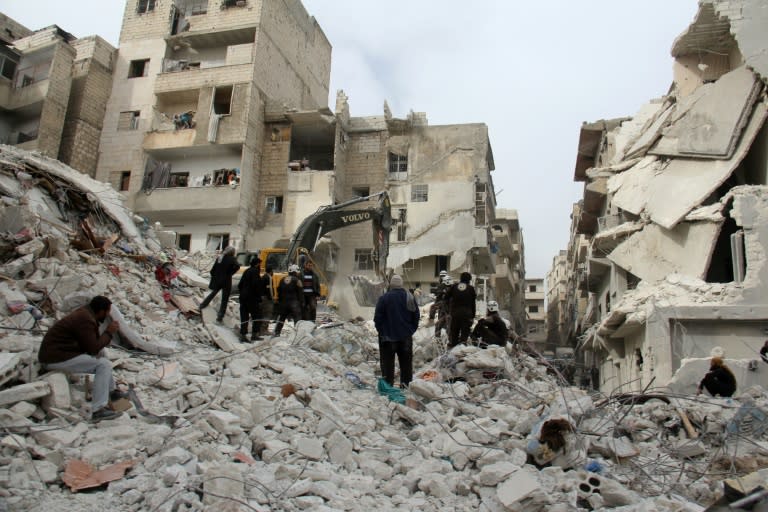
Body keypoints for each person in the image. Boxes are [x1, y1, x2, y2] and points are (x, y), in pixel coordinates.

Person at [38, 296, 126, 421]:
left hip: (62, 353)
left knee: (102, 354)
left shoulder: (86, 314)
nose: (107, 316)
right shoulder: (85, 319)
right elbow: (92, 348)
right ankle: (98, 410)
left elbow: (94, 345)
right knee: (103, 364)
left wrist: (106, 335)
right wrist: (109, 332)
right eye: (107, 312)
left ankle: (112, 392)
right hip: (55, 358)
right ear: (101, 311)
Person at [374, 274, 420, 388]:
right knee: (406, 365)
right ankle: (405, 387)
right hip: (405, 338)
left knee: (388, 365)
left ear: (391, 285)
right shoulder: (409, 297)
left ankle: (388, 387)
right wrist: (410, 330)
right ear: (401, 285)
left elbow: (377, 319)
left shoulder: (384, 298)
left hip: (388, 338)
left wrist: (382, 332)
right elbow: (416, 316)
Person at [200, 246, 239, 323]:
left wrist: (216, 276)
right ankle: (220, 317)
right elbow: (237, 266)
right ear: (232, 252)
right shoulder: (232, 259)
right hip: (226, 281)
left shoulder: (220, 258)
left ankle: (202, 305)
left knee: (213, 293)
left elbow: (212, 270)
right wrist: (231, 273)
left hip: (218, 280)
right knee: (225, 299)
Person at [445, 272, 476, 348]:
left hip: (455, 314)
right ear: (469, 280)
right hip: (467, 315)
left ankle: (453, 351)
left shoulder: (454, 286)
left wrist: (448, 311)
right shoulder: (471, 288)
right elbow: (473, 304)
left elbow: (446, 298)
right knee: (464, 336)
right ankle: (462, 352)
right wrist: (473, 316)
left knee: (454, 334)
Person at [237, 255, 263, 341]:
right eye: (260, 264)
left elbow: (240, 285)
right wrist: (259, 297)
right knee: (257, 316)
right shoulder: (255, 272)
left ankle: (243, 335)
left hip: (243, 297)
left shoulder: (246, 271)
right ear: (257, 264)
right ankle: (255, 334)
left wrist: (242, 293)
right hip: (252, 298)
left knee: (244, 316)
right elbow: (256, 286)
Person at [274, 264, 304, 336]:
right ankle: (297, 334)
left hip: (284, 303)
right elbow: (300, 292)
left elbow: (279, 291)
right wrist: (302, 302)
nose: (298, 273)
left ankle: (277, 332)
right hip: (294, 302)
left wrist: (280, 301)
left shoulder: (282, 279)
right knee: (297, 318)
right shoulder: (297, 281)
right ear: (295, 271)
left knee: (282, 318)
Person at [259, 267, 276, 335]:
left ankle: (260, 329)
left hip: (262, 298)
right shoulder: (268, 277)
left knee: (262, 313)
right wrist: (272, 298)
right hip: (267, 299)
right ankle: (264, 329)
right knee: (267, 313)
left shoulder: (263, 276)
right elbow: (270, 289)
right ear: (271, 271)